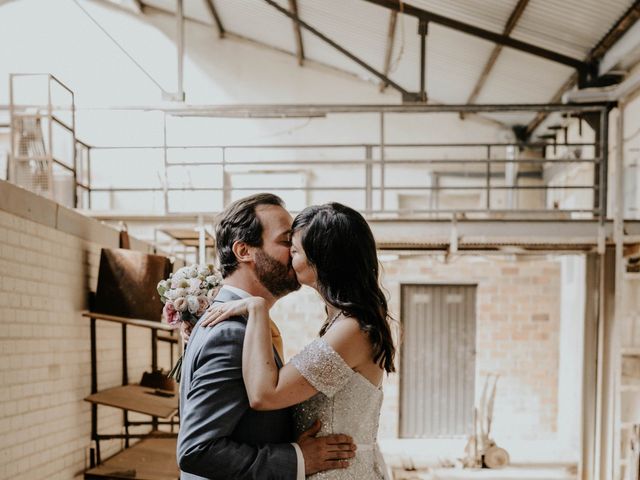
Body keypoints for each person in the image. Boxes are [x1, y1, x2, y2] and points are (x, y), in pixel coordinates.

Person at [201, 202, 396, 479]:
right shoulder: (345, 322)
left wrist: (257, 309)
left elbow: (264, 394)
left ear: (323, 258)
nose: (288, 260)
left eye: (294, 251)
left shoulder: (352, 329)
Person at [177, 194, 357, 480]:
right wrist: (298, 459)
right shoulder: (231, 334)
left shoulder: (241, 322)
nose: (298, 251)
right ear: (244, 250)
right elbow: (197, 449)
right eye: (287, 241)